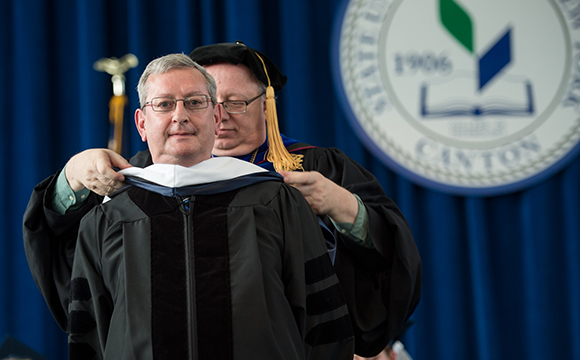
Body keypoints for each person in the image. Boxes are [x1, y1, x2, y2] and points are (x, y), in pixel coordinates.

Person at [23, 43, 422, 358]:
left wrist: (342, 206)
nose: (219, 114)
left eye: (233, 103)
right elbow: (77, 270)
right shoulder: (142, 180)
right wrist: (71, 178)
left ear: (266, 108)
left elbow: (393, 259)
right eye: (206, 100)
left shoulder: (311, 167)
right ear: (146, 121)